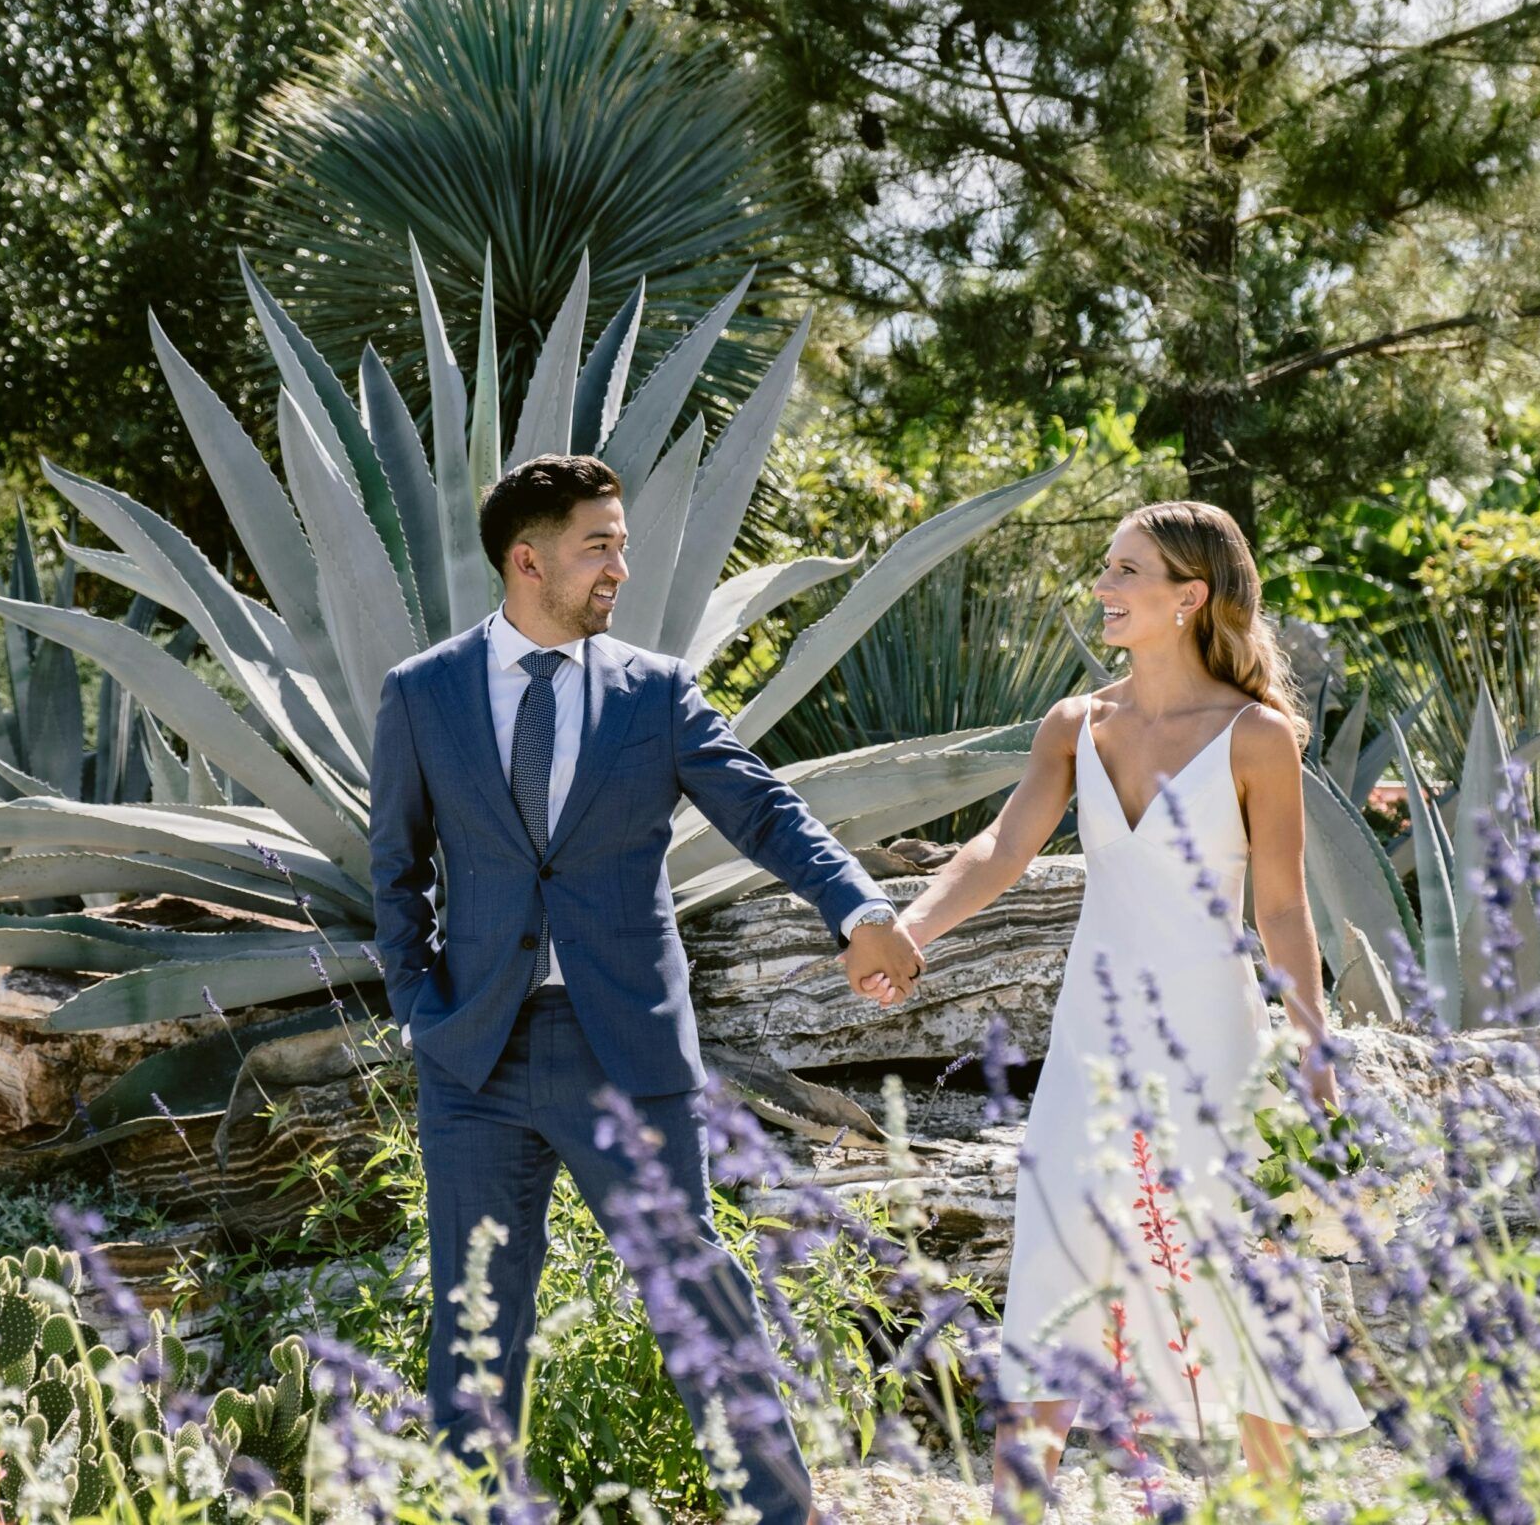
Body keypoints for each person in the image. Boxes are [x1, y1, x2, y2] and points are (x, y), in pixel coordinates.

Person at [369, 453, 924, 1525]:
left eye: (621, 543)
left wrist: (855, 906)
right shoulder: (422, 692)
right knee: (475, 1318)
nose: (621, 565)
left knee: (694, 1295)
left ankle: (777, 1511)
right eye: (599, 546)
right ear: (527, 560)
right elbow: (392, 870)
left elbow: (763, 810)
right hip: (471, 1054)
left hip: (621, 1046)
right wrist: (420, 1010)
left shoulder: (654, 692)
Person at [885, 500, 1368, 1499]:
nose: (1102, 588)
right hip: (1091, 1036)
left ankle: (1270, 1504)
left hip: (1210, 1038)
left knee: (1224, 1257)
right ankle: (1021, 1504)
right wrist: (910, 931)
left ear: (1188, 597)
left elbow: (1281, 907)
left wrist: (1314, 1042)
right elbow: (998, 850)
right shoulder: (1077, 724)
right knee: (1056, 1235)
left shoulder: (1255, 736)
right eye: (1105, 568)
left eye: (1125, 572)